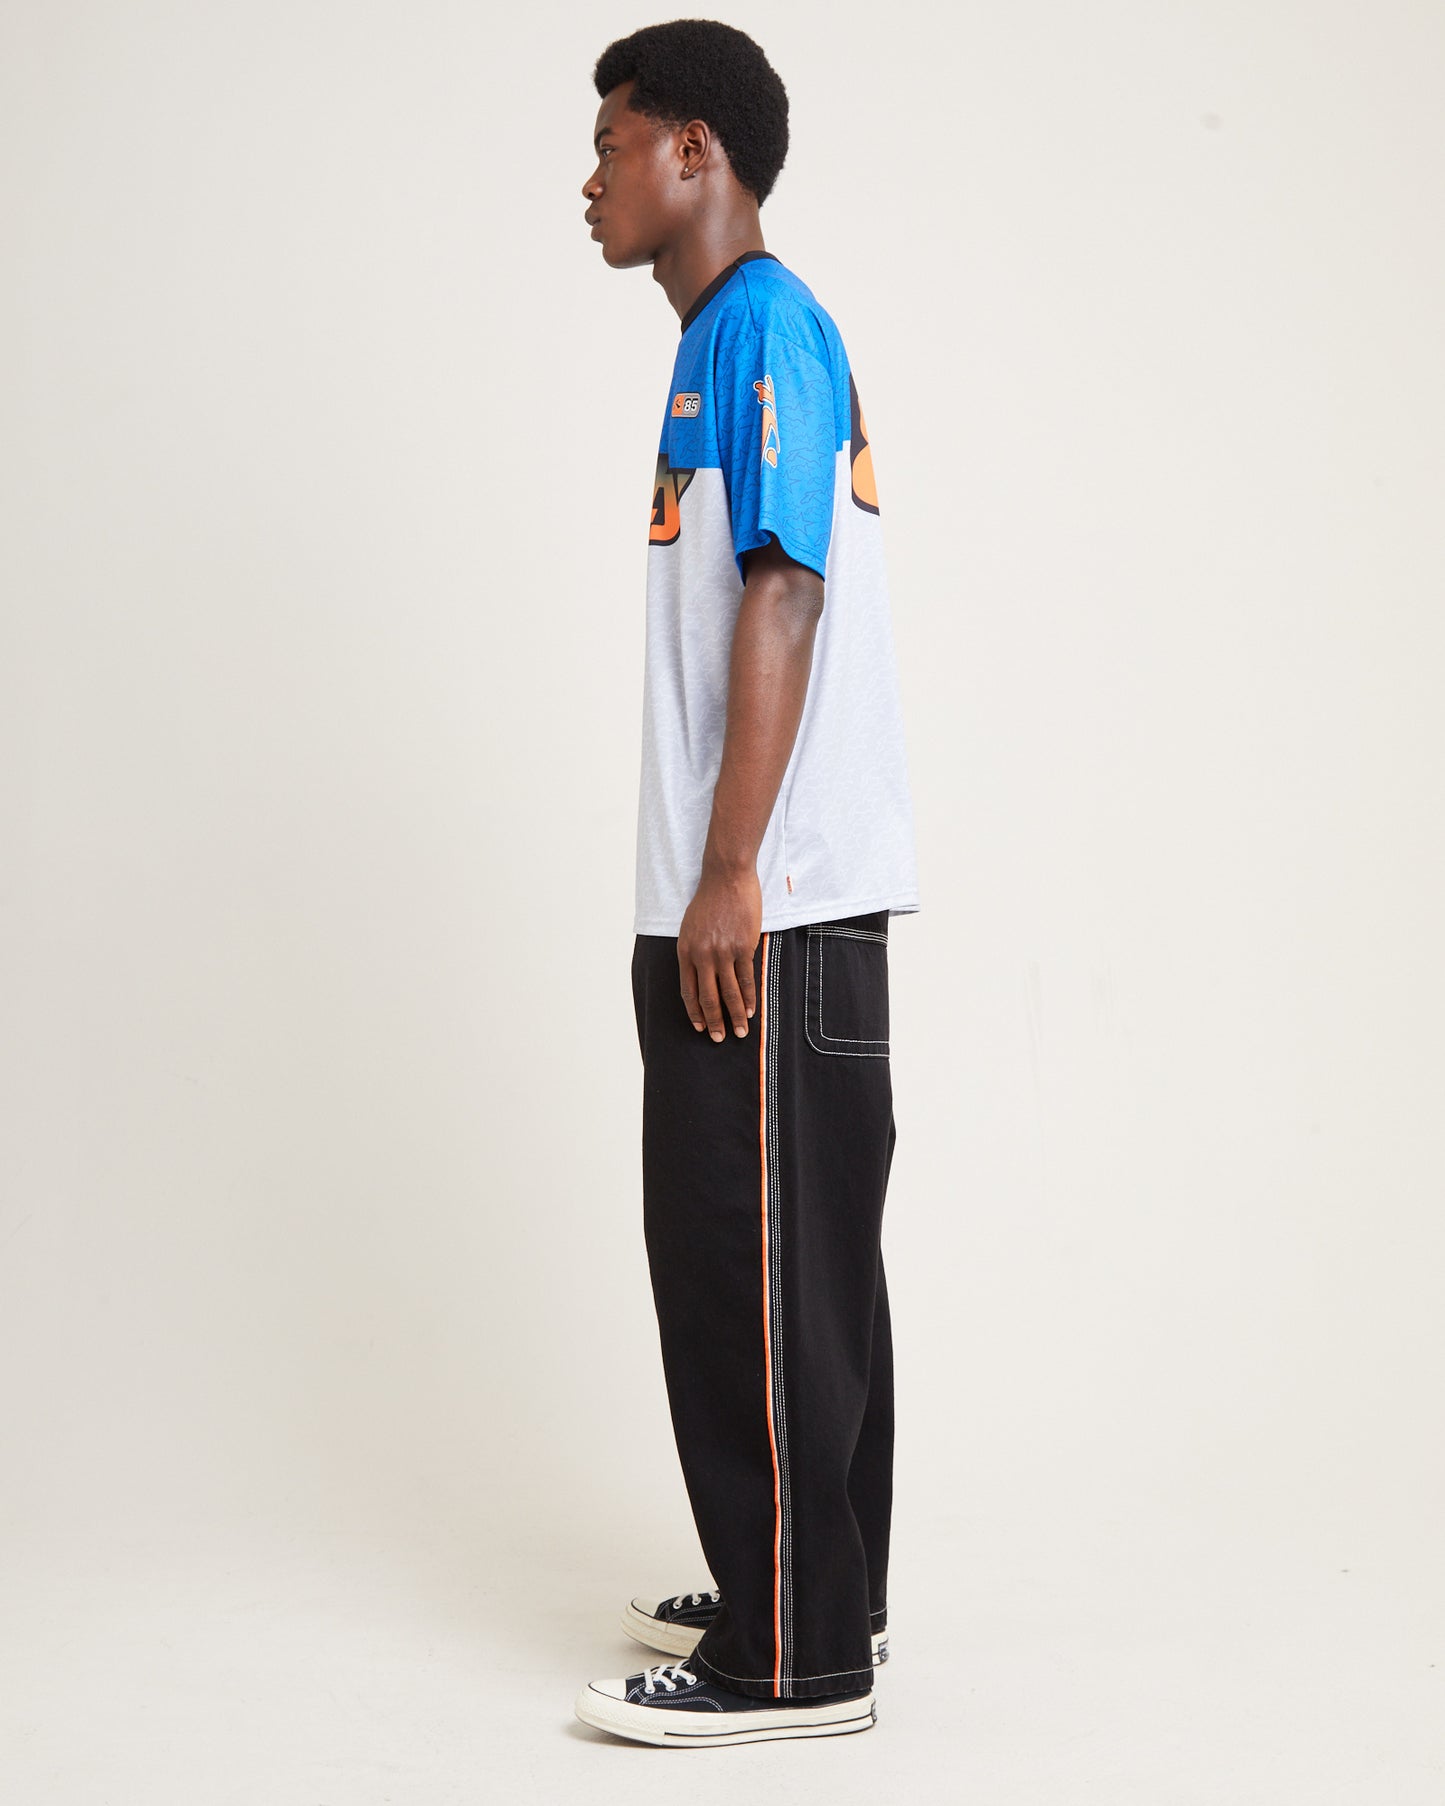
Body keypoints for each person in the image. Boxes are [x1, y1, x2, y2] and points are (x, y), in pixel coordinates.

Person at [572, 19, 921, 1749]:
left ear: (694, 148)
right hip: (752, 902)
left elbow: (786, 588)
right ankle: (818, 1588)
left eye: (612, 142)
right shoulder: (723, 339)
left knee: (752, 1264)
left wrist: (725, 873)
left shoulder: (763, 325)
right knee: (793, 1265)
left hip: (762, 906)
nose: (590, 179)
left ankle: (792, 1658)